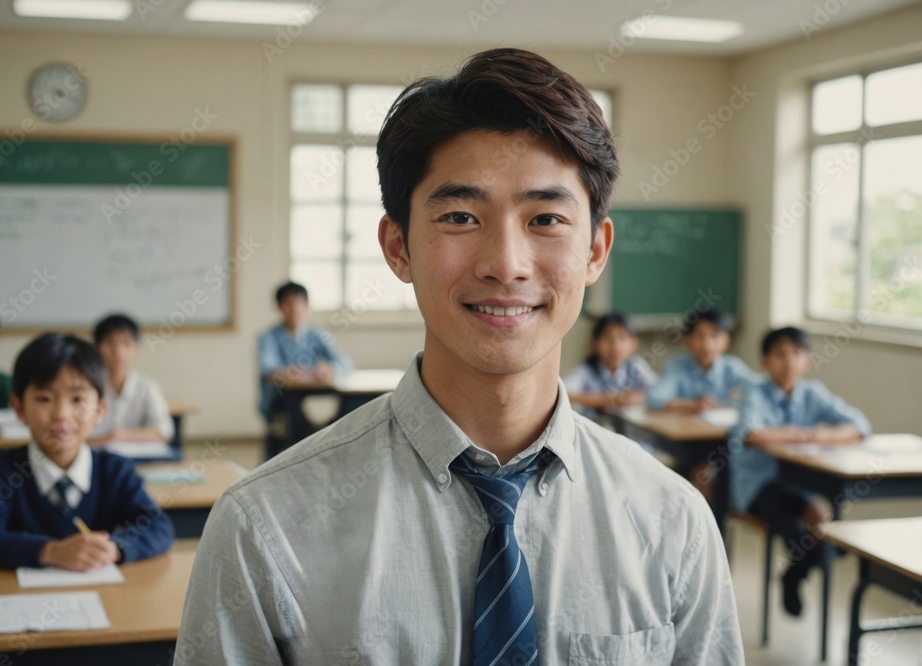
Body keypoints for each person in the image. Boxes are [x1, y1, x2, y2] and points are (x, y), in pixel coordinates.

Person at [176, 48, 742, 664]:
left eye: (546, 217)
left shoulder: (672, 521)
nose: (505, 263)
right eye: (461, 216)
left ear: (596, 251)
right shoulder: (265, 527)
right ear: (398, 247)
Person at [0, 333, 174, 570]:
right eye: (44, 398)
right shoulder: (2, 471)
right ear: (19, 409)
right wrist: (50, 551)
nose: (61, 414)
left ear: (100, 410)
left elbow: (158, 526)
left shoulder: (114, 470)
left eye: (78, 399)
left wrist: (115, 548)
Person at [731, 326, 870, 617]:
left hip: (796, 485)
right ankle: (805, 566)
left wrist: (817, 436)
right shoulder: (754, 392)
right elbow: (752, 433)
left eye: (797, 353)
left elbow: (859, 424)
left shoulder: (812, 393)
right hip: (756, 484)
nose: (789, 361)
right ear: (765, 360)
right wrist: (804, 434)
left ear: (807, 360)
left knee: (820, 525)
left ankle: (796, 572)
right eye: (780, 354)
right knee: (799, 533)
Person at [257, 281, 352, 458]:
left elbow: (344, 362)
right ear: (279, 307)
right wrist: (289, 372)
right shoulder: (269, 336)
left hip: (313, 393)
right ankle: (306, 443)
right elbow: (267, 367)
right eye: (287, 304)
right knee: (293, 418)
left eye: (298, 303)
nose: (294, 309)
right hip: (281, 398)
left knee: (353, 403)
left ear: (306, 306)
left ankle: (325, 437)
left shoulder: (317, 335)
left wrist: (330, 369)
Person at [647, 308, 758, 413]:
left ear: (726, 341)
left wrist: (737, 401)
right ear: (688, 341)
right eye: (699, 336)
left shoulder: (733, 367)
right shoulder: (677, 366)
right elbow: (653, 399)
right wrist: (694, 405)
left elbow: (760, 389)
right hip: (686, 430)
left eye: (714, 336)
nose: (707, 344)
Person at [89, 313, 174, 444]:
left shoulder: (147, 387)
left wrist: (122, 435)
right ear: (96, 348)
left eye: (126, 344)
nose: (117, 351)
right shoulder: (88, 386)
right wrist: (106, 439)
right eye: (109, 342)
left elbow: (164, 432)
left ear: (137, 349)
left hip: (140, 458)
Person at [564, 312, 656, 419]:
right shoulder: (586, 370)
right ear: (595, 345)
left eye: (622, 339)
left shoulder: (635, 366)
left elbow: (658, 392)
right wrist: (608, 400)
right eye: (608, 340)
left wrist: (635, 398)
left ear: (634, 343)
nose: (616, 347)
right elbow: (565, 394)